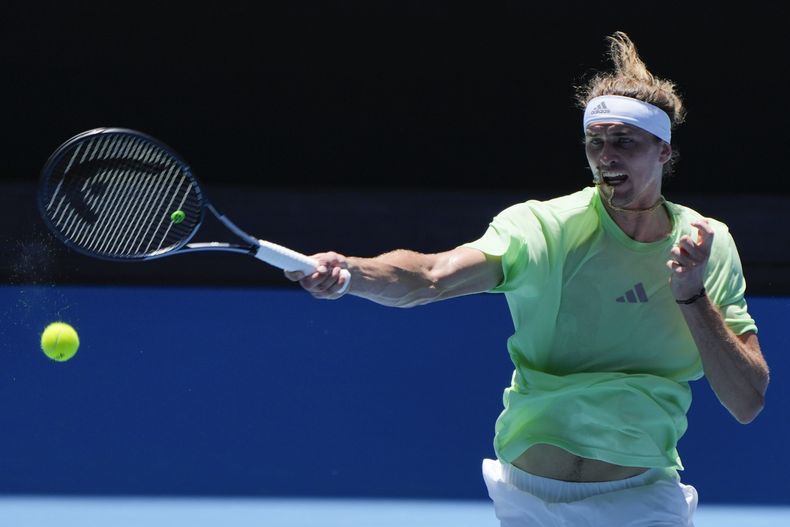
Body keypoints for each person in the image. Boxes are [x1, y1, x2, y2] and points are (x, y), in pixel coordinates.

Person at [285, 31, 770, 526]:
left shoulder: (708, 244)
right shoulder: (543, 227)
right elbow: (433, 275)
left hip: (641, 502)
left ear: (663, 151)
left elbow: (748, 400)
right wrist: (351, 272)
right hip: (528, 500)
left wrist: (693, 299)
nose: (606, 157)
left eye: (624, 141)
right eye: (595, 143)